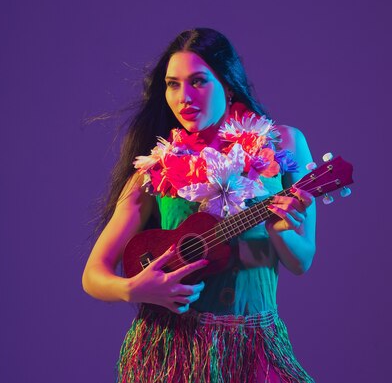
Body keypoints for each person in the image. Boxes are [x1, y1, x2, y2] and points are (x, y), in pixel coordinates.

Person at [82, 28, 316, 383]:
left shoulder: (284, 145)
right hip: (173, 352)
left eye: (198, 82)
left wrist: (277, 229)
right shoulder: (152, 170)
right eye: (172, 84)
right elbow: (93, 275)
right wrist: (134, 289)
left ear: (229, 84)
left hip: (255, 347)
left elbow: (301, 261)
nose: (183, 97)